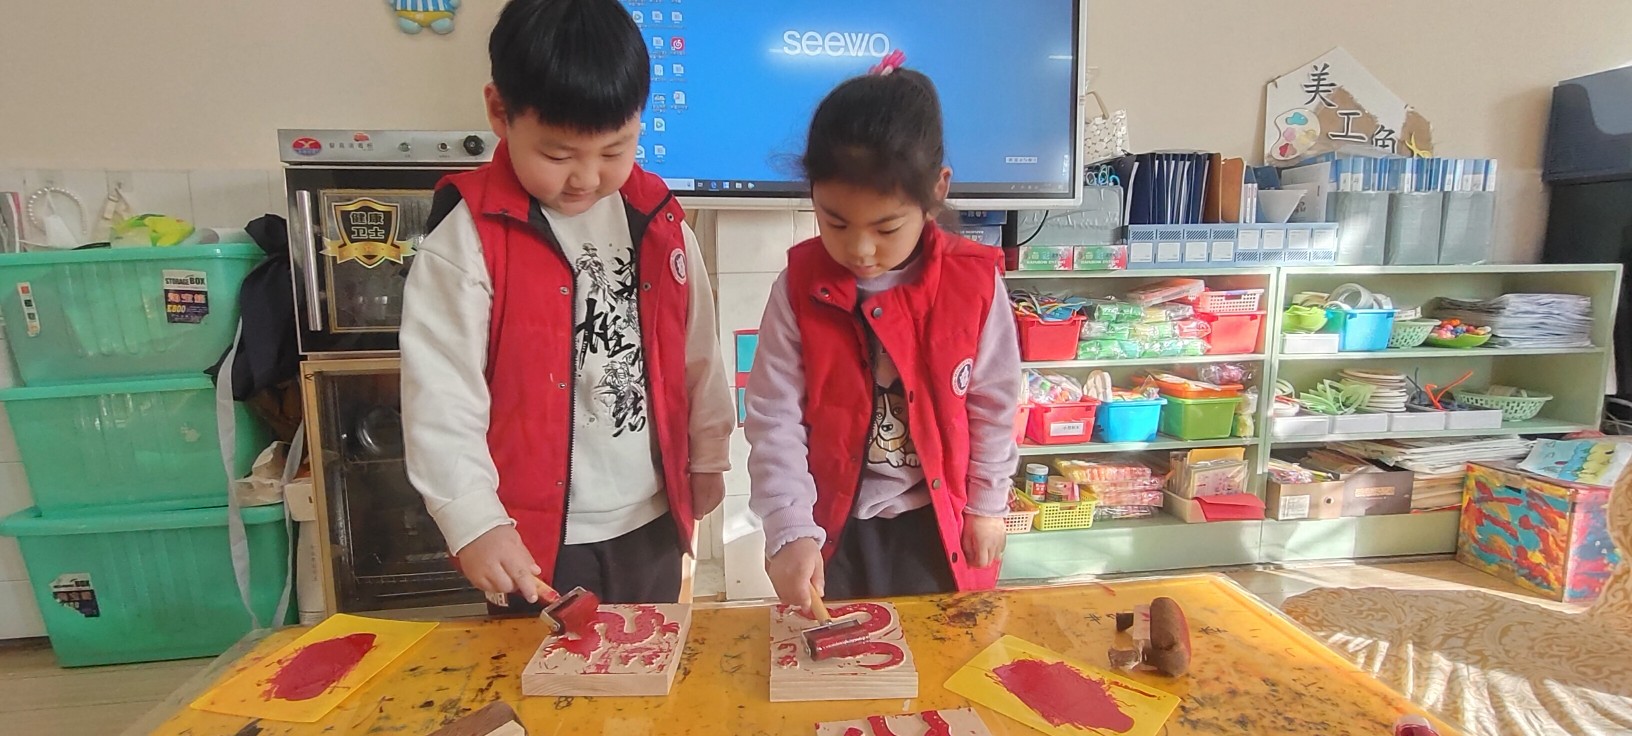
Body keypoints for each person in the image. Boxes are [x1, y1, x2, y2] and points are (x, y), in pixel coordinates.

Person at [400, 0, 734, 608]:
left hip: (650, 521)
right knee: (544, 669)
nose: (586, 177)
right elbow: (441, 395)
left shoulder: (657, 219)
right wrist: (473, 519)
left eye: (614, 150)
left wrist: (708, 454)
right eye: (557, 155)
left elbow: (698, 352)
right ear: (500, 112)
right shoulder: (469, 238)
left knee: (649, 655)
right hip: (531, 537)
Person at [745, 58, 1021, 612]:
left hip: (940, 527)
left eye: (886, 226)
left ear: (936, 192)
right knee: (842, 654)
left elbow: (994, 403)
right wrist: (789, 527)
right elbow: (774, 417)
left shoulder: (974, 283)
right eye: (835, 222)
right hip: (834, 529)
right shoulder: (799, 286)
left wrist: (988, 505)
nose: (860, 249)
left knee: (944, 652)